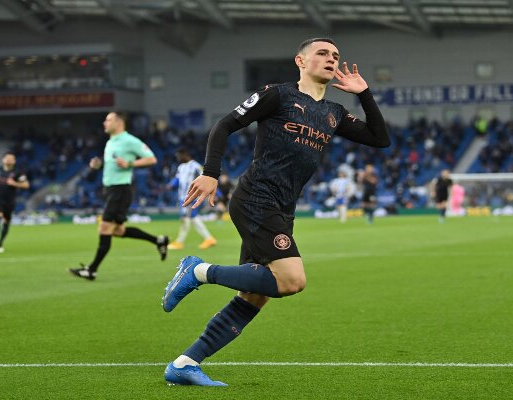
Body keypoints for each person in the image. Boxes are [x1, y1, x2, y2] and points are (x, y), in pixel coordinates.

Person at [160, 37, 390, 387]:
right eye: (323, 54)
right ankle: (198, 270)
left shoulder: (334, 113)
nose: (331, 59)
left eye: (336, 56)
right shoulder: (277, 95)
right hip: (256, 197)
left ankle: (185, 363)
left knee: (257, 295)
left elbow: (380, 138)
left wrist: (364, 94)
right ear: (300, 61)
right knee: (292, 280)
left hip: (283, 206)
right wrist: (210, 173)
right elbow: (224, 125)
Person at [69, 111, 169, 280]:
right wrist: (98, 165)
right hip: (110, 190)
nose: (104, 123)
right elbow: (113, 166)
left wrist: (130, 163)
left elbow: (151, 159)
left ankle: (91, 270)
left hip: (120, 190)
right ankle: (158, 240)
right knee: (117, 231)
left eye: (108, 120)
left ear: (119, 122)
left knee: (104, 228)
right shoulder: (111, 142)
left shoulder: (129, 140)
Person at [167, 148, 217, 250]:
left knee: (187, 218)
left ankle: (179, 242)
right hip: (182, 197)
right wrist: (171, 184)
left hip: (192, 196)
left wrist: (214, 191)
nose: (178, 158)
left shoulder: (195, 166)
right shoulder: (181, 167)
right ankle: (209, 239)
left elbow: (207, 177)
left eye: (179, 156)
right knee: (190, 218)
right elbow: (177, 179)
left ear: (185, 154)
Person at [0, 151, 29, 253]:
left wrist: (15, 183)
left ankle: (0, 243)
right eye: (7, 158)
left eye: (11, 159)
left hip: (10, 201)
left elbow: (26, 185)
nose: (9, 160)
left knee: (6, 222)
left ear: (14, 161)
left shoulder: (18, 172)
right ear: (3, 159)